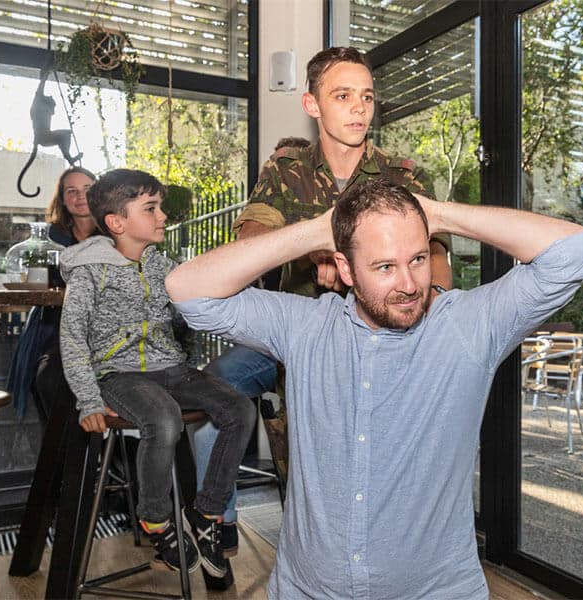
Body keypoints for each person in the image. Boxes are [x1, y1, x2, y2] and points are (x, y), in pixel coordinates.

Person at [165, 178, 583, 599]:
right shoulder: (305, 326)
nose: (409, 284)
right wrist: (315, 230)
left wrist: (439, 214)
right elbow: (187, 291)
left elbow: (575, 252)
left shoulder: (468, 327)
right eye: (385, 267)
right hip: (307, 591)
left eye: (417, 259)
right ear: (346, 268)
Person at [194, 45, 453, 515]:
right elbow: (251, 238)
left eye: (367, 97)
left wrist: (435, 308)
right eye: (343, 96)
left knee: (371, 473)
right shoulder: (286, 170)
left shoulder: (401, 177)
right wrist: (313, 245)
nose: (359, 108)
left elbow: (435, 255)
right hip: (297, 339)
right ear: (312, 104)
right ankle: (215, 521)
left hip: (378, 339)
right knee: (219, 393)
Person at [59, 169, 255, 578]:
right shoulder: (89, 271)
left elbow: (185, 322)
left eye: (160, 207)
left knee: (239, 409)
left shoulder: (164, 266)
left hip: (173, 369)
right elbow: (72, 337)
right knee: (164, 419)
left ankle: (207, 513)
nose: (162, 215)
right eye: (151, 208)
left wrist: (188, 334)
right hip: (120, 374)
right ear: (117, 222)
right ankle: (155, 520)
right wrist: (89, 400)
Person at [7, 166, 97, 425]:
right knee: (46, 378)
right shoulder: (50, 237)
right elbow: (36, 280)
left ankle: (89, 445)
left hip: (101, 325)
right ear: (62, 199)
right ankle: (62, 445)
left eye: (87, 189)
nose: (80, 197)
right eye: (72, 191)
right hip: (53, 322)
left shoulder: (115, 230)